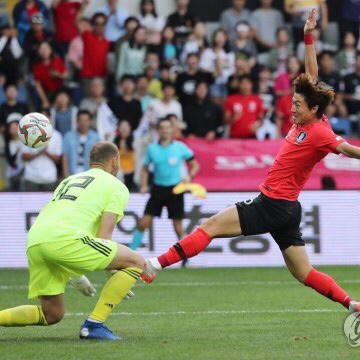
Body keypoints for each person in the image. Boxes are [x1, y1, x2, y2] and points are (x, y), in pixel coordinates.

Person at [141, 9, 360, 318]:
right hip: (287, 208)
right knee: (304, 273)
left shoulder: (321, 132)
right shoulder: (313, 112)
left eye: (297, 106)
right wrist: (308, 36)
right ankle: (353, 304)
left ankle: (153, 264)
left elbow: (348, 149)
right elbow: (311, 78)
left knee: (210, 226)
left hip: (271, 203)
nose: (292, 109)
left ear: (313, 109)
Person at [0, 141, 145, 340]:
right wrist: (114, 274)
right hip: (64, 239)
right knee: (136, 261)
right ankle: (94, 325)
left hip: (36, 238)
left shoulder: (69, 180)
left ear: (91, 162)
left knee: (51, 314)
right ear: (114, 161)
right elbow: (104, 239)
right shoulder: (116, 186)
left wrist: (75, 275)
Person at [129, 117, 199, 258]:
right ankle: (129, 255)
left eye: (168, 127)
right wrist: (143, 185)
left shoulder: (180, 147)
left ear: (172, 129)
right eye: (162, 127)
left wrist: (189, 177)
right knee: (143, 223)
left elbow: (196, 165)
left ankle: (186, 257)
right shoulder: (152, 148)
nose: (165, 130)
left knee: (178, 227)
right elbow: (144, 168)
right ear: (158, 130)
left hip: (176, 189)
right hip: (158, 189)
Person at [224, 74, 265, 139]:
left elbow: (261, 120)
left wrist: (256, 126)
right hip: (234, 137)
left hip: (251, 137)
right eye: (242, 83)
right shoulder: (230, 99)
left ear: (251, 85)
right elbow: (225, 121)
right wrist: (233, 119)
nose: (245, 85)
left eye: (247, 83)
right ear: (239, 85)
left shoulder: (257, 100)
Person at [62, 110, 100, 178]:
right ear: (77, 121)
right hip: (72, 175)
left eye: (86, 120)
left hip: (89, 176)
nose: (83, 123)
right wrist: (66, 175)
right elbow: (65, 157)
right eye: (81, 120)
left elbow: (98, 159)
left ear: (90, 122)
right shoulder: (68, 136)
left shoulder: (96, 138)